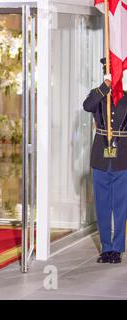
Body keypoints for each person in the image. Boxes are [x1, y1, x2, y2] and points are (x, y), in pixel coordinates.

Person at [83, 59, 127, 264]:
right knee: (102, 205)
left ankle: (117, 248)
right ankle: (106, 248)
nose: (112, 75)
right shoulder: (98, 95)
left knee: (120, 206)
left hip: (122, 158)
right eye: (109, 71)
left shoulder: (126, 98)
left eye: (115, 71)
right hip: (100, 157)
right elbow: (86, 106)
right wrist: (104, 88)